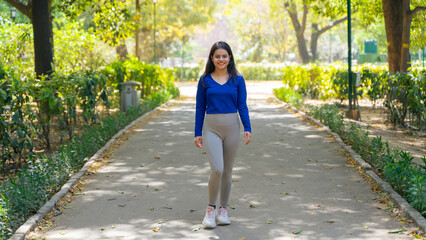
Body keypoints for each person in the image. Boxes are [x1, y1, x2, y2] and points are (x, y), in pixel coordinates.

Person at [194, 41, 252, 229]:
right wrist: (197, 132)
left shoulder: (238, 79)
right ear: (212, 58)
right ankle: (210, 210)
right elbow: (200, 107)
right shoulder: (205, 80)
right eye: (217, 56)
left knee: (227, 171)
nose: (221, 59)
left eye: (224, 56)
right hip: (211, 128)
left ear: (229, 58)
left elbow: (242, 105)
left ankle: (223, 210)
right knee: (217, 169)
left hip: (233, 128)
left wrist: (247, 128)